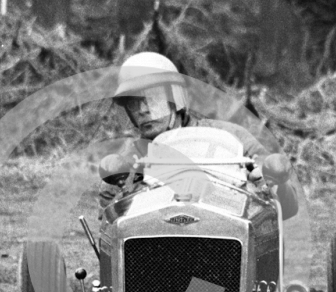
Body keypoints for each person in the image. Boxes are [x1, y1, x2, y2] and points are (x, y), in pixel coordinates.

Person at [99, 52, 299, 220]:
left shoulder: (231, 136)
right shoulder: (128, 161)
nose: (143, 110)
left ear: (174, 98)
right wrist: (121, 191)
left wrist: (268, 181)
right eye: (134, 103)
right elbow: (112, 227)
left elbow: (288, 206)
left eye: (153, 99)